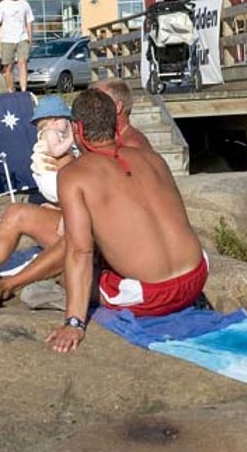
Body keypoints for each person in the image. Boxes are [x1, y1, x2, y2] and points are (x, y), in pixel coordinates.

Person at [47, 90, 207, 353]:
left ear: (78, 128)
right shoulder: (152, 158)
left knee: (68, 277)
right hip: (197, 274)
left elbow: (79, 251)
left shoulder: (73, 175)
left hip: (152, 295)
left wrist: (74, 322)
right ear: (114, 121)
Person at [0, 95, 78, 306]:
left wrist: (72, 206)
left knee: (79, 237)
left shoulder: (127, 148)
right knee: (16, 211)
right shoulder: (69, 137)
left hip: (94, 226)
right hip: (75, 209)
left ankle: (7, 285)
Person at [0, 0, 35, 93]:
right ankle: (11, 90)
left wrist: (30, 38)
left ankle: (24, 90)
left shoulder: (24, 4)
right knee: (8, 66)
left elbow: (29, 22)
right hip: (7, 39)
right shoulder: (2, 4)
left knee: (22, 63)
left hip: (22, 37)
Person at [94, 77, 153, 152]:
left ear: (118, 107)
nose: (93, 107)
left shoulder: (130, 145)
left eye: (100, 101)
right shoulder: (117, 139)